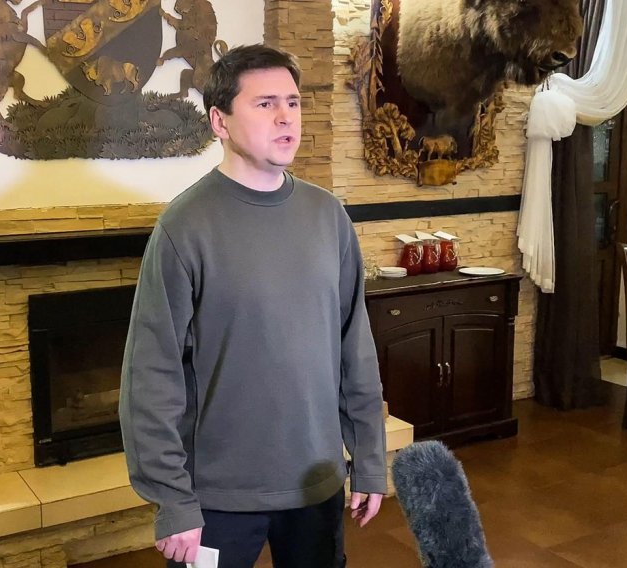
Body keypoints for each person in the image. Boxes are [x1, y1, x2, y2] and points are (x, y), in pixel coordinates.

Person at [119, 44, 387, 568]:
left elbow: (355, 349)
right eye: (265, 104)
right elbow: (151, 373)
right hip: (216, 498)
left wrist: (370, 458)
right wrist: (172, 499)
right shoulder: (184, 226)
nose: (286, 117)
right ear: (219, 121)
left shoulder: (328, 216)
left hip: (316, 484)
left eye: (293, 102)